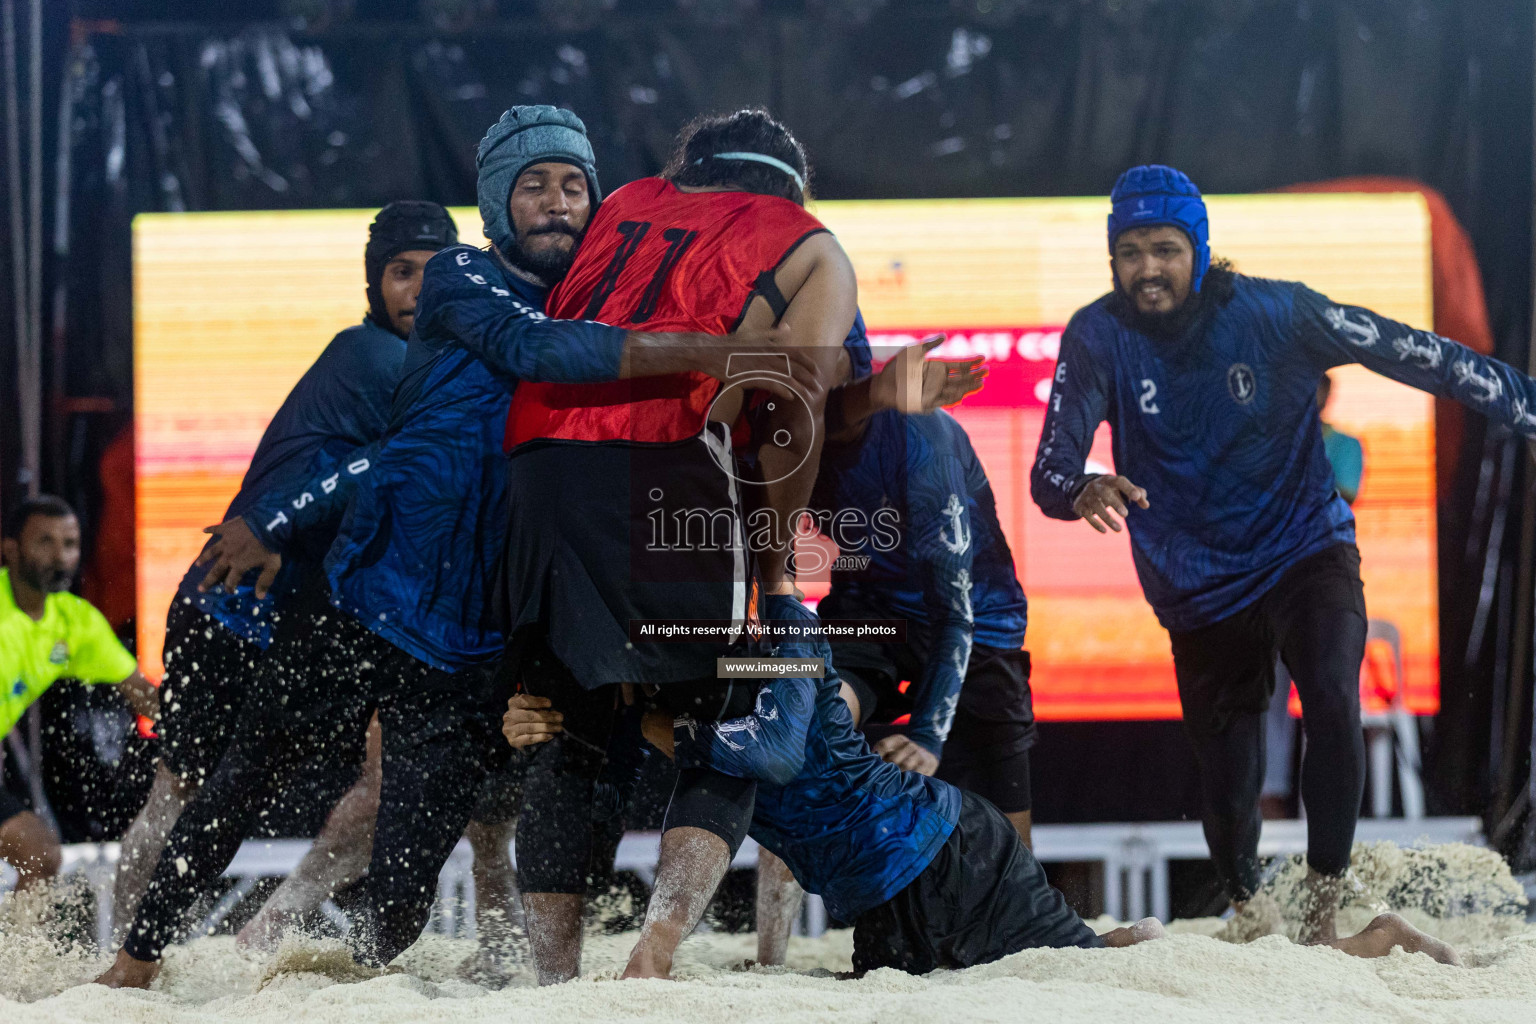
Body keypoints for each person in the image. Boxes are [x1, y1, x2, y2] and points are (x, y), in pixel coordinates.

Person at [94, 104, 811, 990]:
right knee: (237, 784)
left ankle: (303, 976)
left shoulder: (592, 305)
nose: (558, 203)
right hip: (364, 599)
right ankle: (131, 968)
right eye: (536, 184)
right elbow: (538, 349)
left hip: (470, 647)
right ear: (494, 199)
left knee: (398, 910)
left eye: (576, 186)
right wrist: (720, 349)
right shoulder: (459, 278)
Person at [1029, 163, 1536, 942]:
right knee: (1228, 789)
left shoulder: (1275, 312)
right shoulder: (1098, 335)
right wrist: (1080, 491)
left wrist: (1524, 403)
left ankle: (1322, 918)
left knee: (1332, 696)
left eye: (1164, 248)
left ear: (1198, 250)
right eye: (1129, 252)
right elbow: (1049, 469)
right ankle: (1249, 911)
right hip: (1197, 587)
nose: (1147, 269)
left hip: (1305, 549)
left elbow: (1415, 352)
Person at [502, 593, 1460, 974]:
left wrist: (661, 725)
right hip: (895, 876)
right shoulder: (687, 659)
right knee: (1081, 959)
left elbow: (776, 757)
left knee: (1097, 976)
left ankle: (1378, 941)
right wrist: (555, 717)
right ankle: (1140, 935)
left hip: (940, 854)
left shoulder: (783, 633)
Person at [495, 108, 865, 984]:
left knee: (567, 717)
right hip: (662, 461)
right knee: (748, 706)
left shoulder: (623, 199)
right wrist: (775, 580)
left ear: (687, 167)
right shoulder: (812, 245)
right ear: (793, 185)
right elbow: (795, 405)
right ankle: (655, 951)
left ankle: (552, 979)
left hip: (533, 460)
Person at [111, 200, 461, 940]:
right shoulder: (372, 357)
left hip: (312, 620)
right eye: (402, 274)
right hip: (233, 604)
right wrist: (276, 523)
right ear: (375, 284)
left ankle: (256, 933)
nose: (419, 293)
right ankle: (132, 962)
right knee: (182, 790)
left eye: (436, 276)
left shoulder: (419, 367)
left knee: (382, 786)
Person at [813, 388, 1034, 843]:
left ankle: (1020, 900)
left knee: (1007, 837)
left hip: (977, 615)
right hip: (869, 607)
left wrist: (928, 735)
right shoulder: (776, 432)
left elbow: (955, 615)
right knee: (806, 735)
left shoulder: (923, 441)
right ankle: (773, 917)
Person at [1, 496, 157, 891]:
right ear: (10, 549)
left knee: (39, 857)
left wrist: (205, 724)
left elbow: (144, 696)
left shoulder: (76, 622)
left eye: (70, 544)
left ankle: (17, 954)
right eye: (45, 542)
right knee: (38, 852)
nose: (61, 556)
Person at [1260, 372, 1364, 819]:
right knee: (1267, 696)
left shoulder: (1343, 445)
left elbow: (1343, 496)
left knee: (1327, 692)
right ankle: (1269, 801)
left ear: (1324, 397)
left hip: (1322, 582)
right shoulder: (1265, 444)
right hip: (1269, 582)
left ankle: (1324, 814)